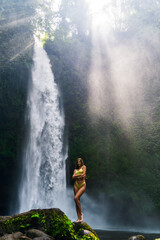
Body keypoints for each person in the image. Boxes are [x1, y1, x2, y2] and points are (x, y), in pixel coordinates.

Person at [72, 158, 86, 222]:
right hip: (76, 185)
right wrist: (79, 175)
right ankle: (78, 218)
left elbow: (84, 174)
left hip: (82, 184)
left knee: (76, 198)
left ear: (81, 162)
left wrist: (76, 176)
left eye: (79, 162)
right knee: (76, 200)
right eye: (77, 162)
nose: (78, 163)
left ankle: (81, 214)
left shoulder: (84, 167)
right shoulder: (75, 169)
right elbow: (73, 177)